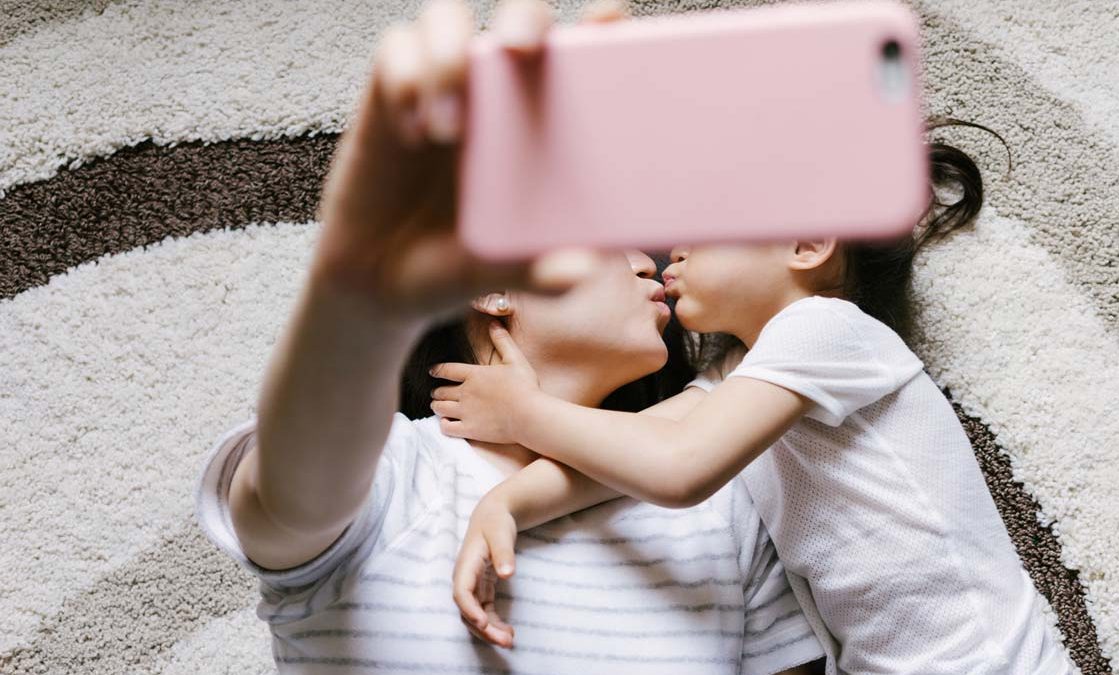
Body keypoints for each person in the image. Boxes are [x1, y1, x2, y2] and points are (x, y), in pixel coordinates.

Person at [193, 0, 826, 672]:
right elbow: (288, 499)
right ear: (492, 281)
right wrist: (358, 298)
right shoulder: (394, 479)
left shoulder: (719, 500)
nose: (653, 260)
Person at [436, 125, 1081, 674]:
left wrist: (524, 412)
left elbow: (678, 468)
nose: (672, 248)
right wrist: (507, 503)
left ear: (805, 244)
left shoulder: (828, 329)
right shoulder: (738, 375)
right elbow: (628, 458)